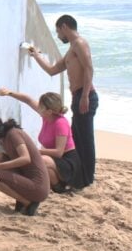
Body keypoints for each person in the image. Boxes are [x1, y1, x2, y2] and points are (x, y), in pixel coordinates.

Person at [28, 14, 98, 186]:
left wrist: (84, 96)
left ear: (64, 27)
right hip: (78, 96)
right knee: (78, 138)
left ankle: (86, 180)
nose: (58, 36)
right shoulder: (71, 50)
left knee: (85, 139)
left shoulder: (80, 43)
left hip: (84, 96)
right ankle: (80, 177)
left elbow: (89, 68)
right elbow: (52, 70)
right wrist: (36, 55)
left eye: (58, 31)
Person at [0, 87, 85, 193]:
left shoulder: (60, 123)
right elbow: (28, 100)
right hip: (52, 158)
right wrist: (9, 93)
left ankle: (59, 187)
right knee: (36, 160)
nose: (38, 107)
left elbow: (59, 152)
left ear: (49, 111)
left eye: (41, 106)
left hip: (67, 160)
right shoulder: (46, 115)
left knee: (41, 160)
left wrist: (35, 151)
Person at [0, 114, 50, 215]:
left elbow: (25, 158)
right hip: (29, 180)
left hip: (38, 187)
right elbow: (7, 159)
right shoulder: (6, 137)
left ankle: (28, 203)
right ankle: (24, 201)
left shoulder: (13, 134)